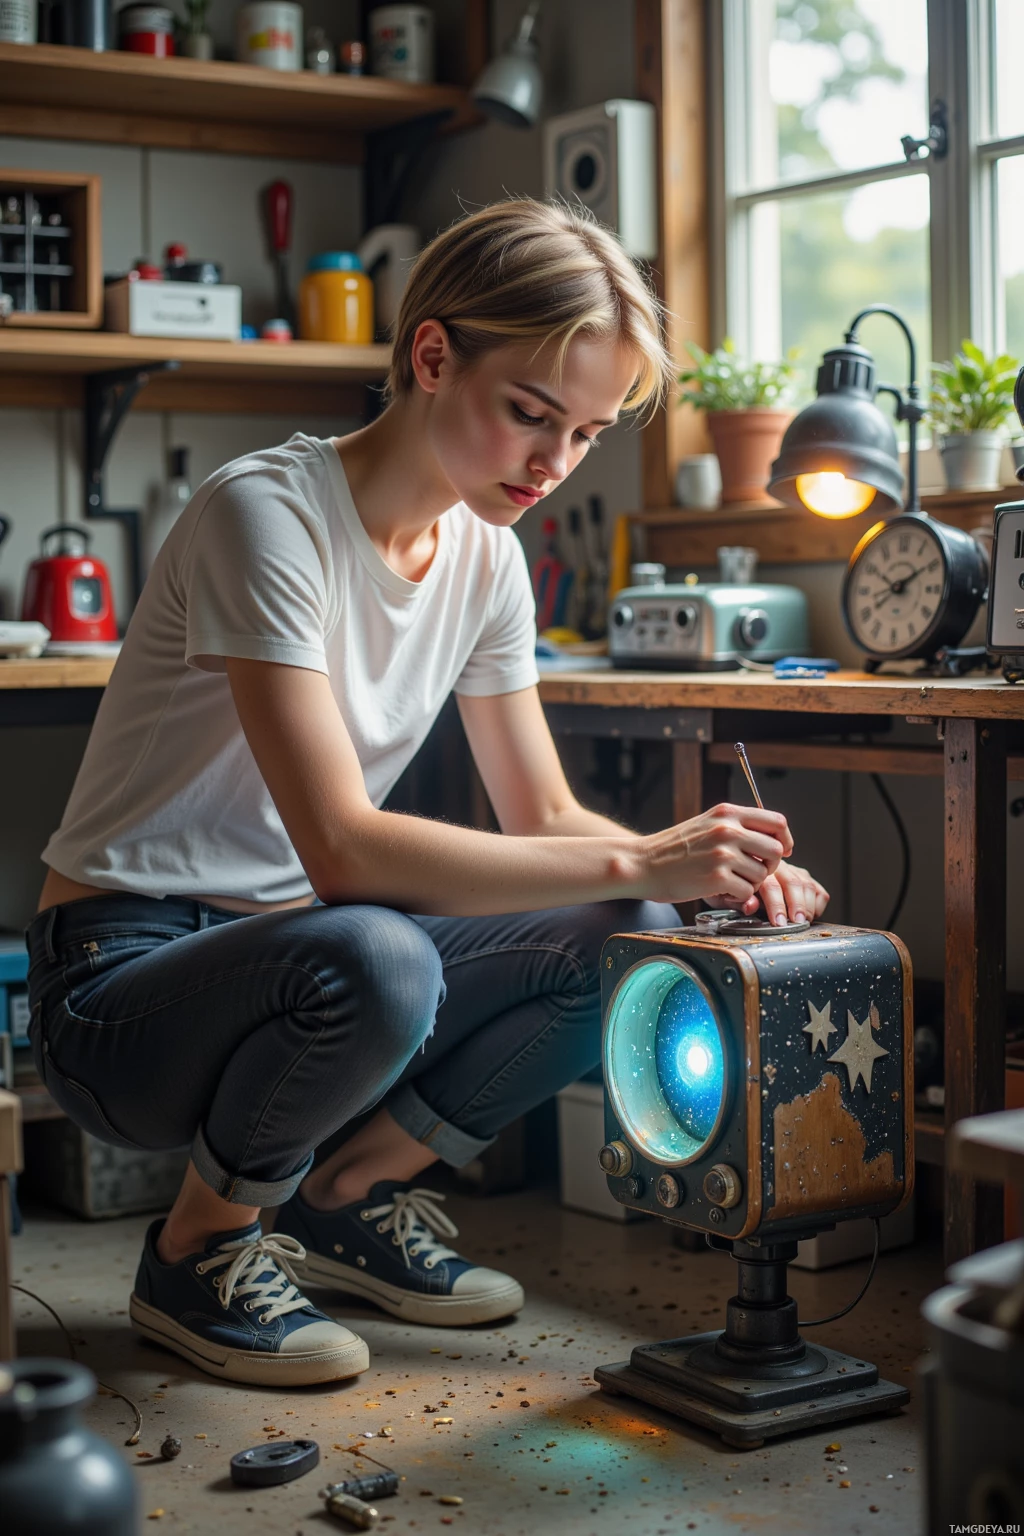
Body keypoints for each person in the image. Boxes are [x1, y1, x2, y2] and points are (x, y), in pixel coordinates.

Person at [26, 200, 828, 1389]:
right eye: (530, 415)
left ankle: (348, 1192)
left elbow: (546, 819)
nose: (552, 464)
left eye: (589, 434)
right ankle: (198, 1247)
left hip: (295, 955)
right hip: (121, 987)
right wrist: (646, 854)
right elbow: (344, 849)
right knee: (379, 955)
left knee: (632, 933)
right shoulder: (267, 514)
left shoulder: (488, 559)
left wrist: (713, 876)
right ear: (432, 355)